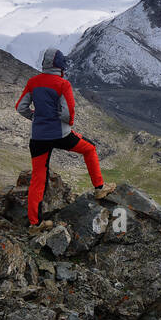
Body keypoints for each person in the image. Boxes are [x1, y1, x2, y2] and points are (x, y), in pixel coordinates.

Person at [15, 48, 114, 227]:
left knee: (38, 177)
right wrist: (68, 123)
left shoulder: (33, 82)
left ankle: (34, 224)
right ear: (60, 65)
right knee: (89, 149)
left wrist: (35, 118)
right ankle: (99, 188)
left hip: (37, 137)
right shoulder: (62, 84)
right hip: (60, 134)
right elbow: (68, 113)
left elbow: (21, 107)